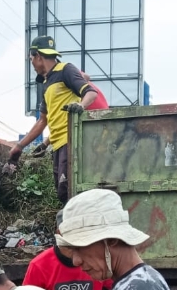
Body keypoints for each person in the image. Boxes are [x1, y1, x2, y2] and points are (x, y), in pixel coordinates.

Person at [10, 36, 108, 205]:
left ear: (38, 56)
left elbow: (91, 93)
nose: (32, 63)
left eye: (31, 58)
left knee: (68, 191)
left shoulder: (65, 70)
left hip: (69, 142)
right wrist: (27, 146)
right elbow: (43, 121)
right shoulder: (47, 84)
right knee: (63, 193)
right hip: (57, 145)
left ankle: (75, 227)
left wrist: (81, 106)